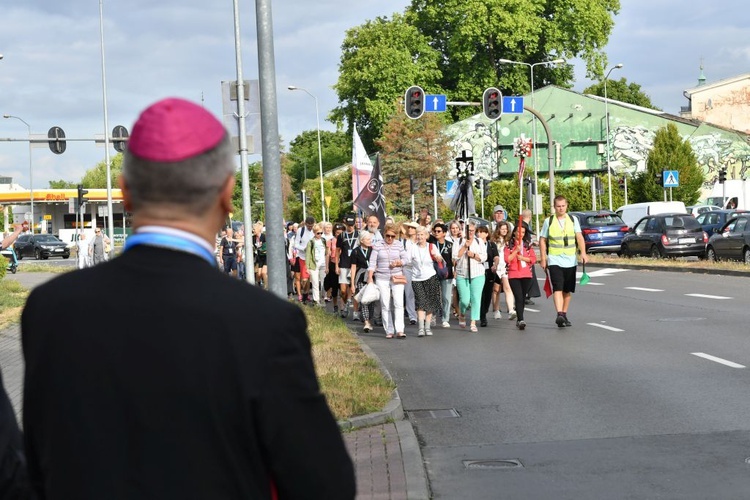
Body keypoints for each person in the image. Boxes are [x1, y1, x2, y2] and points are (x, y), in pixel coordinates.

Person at [20, 97, 355, 498]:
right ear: (227, 195)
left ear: (126, 194)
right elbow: (324, 483)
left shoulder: (50, 309)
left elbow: (40, 464)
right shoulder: (265, 322)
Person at [539, 195, 589, 327]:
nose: (561, 208)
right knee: (558, 287)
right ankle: (559, 314)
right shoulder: (548, 221)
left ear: (566, 206)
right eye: (558, 206)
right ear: (554, 207)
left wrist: (583, 253)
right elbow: (543, 240)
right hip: (554, 259)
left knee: (567, 290)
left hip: (570, 260)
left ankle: (564, 314)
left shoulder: (573, 220)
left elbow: (579, 237)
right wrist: (543, 258)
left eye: (563, 206)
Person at [368, 223, 409, 339]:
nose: (390, 238)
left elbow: (406, 259)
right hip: (382, 277)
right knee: (385, 304)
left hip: (397, 276)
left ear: (396, 235)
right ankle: (389, 330)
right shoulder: (377, 245)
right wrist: (370, 277)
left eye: (393, 236)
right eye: (388, 235)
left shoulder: (399, 245)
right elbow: (372, 263)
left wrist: (399, 262)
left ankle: (400, 329)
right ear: (384, 234)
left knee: (398, 303)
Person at [408, 226, 443, 337]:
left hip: (430, 277)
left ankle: (427, 327)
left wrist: (437, 257)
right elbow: (406, 260)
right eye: (418, 234)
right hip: (416, 278)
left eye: (422, 234)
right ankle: (421, 328)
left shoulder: (431, 246)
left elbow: (440, 258)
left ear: (426, 236)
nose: (420, 237)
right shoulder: (412, 247)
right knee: (420, 303)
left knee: (430, 303)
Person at [452, 221, 487, 333]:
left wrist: (474, 255)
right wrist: (464, 247)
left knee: (476, 298)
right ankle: (462, 313)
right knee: (465, 300)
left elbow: (484, 257)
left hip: (477, 274)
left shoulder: (479, 241)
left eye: (472, 230)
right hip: (462, 274)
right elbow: (455, 257)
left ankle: (473, 322)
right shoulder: (458, 241)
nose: (470, 233)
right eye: (468, 230)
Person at [505, 223, 537, 330]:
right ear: (514, 232)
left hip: (526, 274)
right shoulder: (509, 245)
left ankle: (520, 317)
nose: (520, 234)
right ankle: (520, 319)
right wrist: (516, 251)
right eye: (518, 232)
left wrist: (523, 258)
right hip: (514, 274)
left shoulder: (527, 245)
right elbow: (507, 259)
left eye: (523, 232)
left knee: (522, 297)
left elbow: (533, 259)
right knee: (518, 296)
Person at [350, 231, 374, 333]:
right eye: (367, 239)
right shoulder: (355, 251)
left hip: (372, 277)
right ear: (361, 240)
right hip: (360, 277)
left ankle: (369, 318)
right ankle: (366, 322)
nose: (369, 241)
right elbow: (353, 268)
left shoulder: (373, 250)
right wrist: (352, 284)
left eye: (370, 239)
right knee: (364, 300)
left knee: (371, 300)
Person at [335, 214, 359, 319]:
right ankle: (345, 303)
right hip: (344, 263)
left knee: (352, 286)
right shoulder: (342, 236)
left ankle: (347, 307)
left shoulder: (359, 234)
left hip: (355, 264)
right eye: (349, 225)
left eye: (352, 225)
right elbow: (337, 251)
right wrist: (336, 265)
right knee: (343, 290)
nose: (350, 227)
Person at [491, 221, 516, 320]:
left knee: (507, 288)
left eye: (506, 229)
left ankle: (511, 310)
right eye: (502, 229)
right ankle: (496, 310)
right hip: (496, 267)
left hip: (505, 267)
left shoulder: (510, 241)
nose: (504, 230)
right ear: (498, 230)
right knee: (496, 289)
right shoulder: (493, 241)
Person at [476, 224, 499, 328]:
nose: (479, 234)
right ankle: (482, 317)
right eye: (478, 232)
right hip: (478, 272)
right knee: (480, 294)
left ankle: (484, 311)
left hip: (489, 272)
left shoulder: (491, 245)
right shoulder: (474, 244)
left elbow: (496, 257)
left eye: (481, 232)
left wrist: (495, 264)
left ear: (486, 233)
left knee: (488, 294)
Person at [432, 223, 454, 328]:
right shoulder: (431, 244)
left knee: (446, 297)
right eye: (435, 231)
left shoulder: (450, 245)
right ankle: (433, 316)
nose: (436, 233)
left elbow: (453, 260)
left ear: (444, 233)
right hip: (433, 273)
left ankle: (445, 318)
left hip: (447, 274)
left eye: (439, 231)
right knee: (434, 296)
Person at [305, 223, 329, 306]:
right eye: (318, 233)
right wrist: (307, 267)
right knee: (315, 283)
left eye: (321, 233)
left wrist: (327, 266)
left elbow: (326, 253)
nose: (320, 235)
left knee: (324, 283)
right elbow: (308, 255)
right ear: (314, 233)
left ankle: (322, 298)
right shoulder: (311, 242)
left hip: (323, 264)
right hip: (313, 264)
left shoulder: (323, 240)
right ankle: (316, 300)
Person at [293, 216, 316, 303]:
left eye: (311, 226)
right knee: (304, 278)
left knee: (310, 277)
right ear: (305, 224)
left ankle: (306, 295)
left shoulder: (315, 231)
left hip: (313, 258)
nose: (310, 228)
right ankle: (304, 294)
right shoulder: (300, 231)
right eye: (308, 226)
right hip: (303, 257)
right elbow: (296, 244)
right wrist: (304, 248)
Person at [252, 222, 267, 288]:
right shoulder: (253, 238)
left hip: (266, 256)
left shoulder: (264, 236)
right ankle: (258, 285)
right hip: (259, 257)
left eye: (254, 229)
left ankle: (266, 287)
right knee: (258, 274)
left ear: (258, 229)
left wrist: (262, 247)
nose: (253, 230)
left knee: (264, 272)